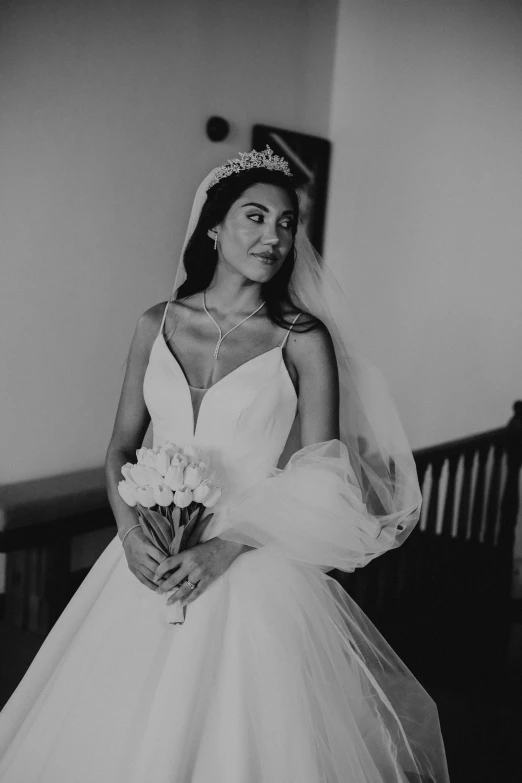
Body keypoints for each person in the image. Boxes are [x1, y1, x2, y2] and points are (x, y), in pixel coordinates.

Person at [0, 147, 449, 782]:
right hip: (147, 557)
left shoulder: (302, 338)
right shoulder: (155, 324)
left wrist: (223, 548)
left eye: (287, 223)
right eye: (256, 217)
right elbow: (121, 449)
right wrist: (129, 535)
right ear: (213, 226)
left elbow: (325, 474)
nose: (274, 236)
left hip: (248, 560)